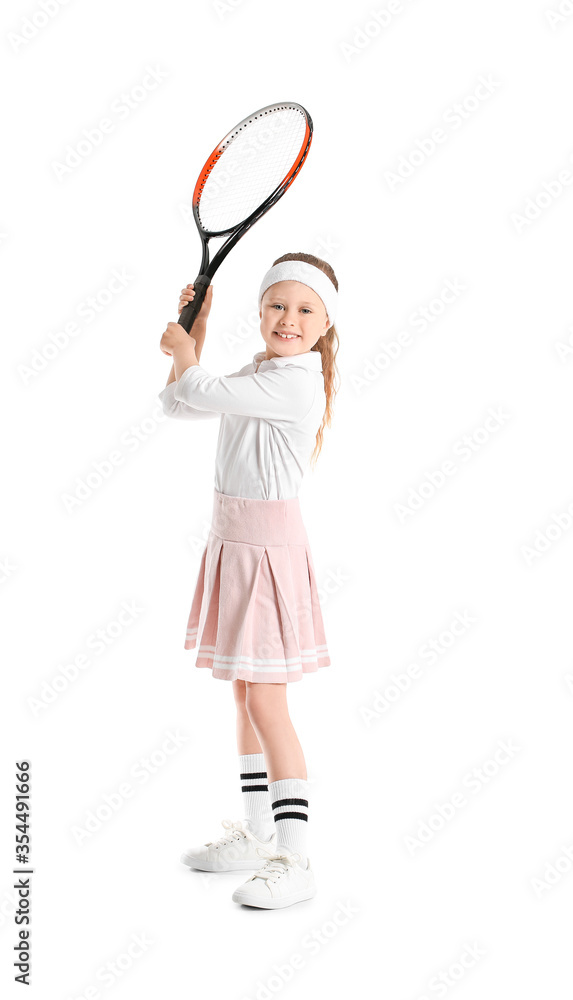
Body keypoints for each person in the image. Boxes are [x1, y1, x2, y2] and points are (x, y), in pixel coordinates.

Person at [158, 252, 340, 909]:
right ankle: (259, 835)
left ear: (324, 326)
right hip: (233, 545)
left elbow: (196, 389)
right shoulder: (262, 371)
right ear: (259, 310)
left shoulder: (294, 381)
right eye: (275, 304)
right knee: (242, 693)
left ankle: (296, 857)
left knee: (266, 700)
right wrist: (194, 341)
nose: (287, 318)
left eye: (303, 309)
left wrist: (186, 349)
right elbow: (179, 403)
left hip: (265, 551)